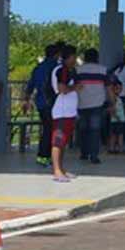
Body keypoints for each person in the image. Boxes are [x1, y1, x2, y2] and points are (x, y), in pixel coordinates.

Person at [22, 44, 59, 167]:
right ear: (56, 54)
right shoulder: (56, 67)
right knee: (50, 130)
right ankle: (44, 156)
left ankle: (45, 155)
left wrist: (26, 100)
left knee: (47, 129)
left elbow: (30, 86)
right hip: (52, 102)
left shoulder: (38, 68)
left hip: (41, 103)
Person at [50, 46, 81, 183]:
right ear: (68, 57)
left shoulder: (71, 70)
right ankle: (56, 170)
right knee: (58, 141)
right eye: (74, 57)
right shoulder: (61, 70)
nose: (75, 60)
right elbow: (62, 89)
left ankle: (62, 169)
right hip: (61, 111)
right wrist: (75, 88)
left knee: (64, 142)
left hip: (69, 111)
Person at [76, 48, 109, 164]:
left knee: (83, 129)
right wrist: (112, 102)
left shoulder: (78, 70)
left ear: (85, 58)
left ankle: (84, 153)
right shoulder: (103, 70)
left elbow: (74, 87)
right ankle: (94, 155)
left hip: (81, 104)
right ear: (97, 58)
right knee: (95, 130)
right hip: (98, 104)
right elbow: (109, 88)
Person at [107, 80, 125, 154]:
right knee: (119, 134)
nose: (119, 90)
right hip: (118, 119)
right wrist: (116, 116)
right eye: (117, 88)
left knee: (114, 134)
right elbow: (112, 108)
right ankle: (119, 148)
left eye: (120, 88)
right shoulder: (114, 98)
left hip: (116, 119)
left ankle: (112, 148)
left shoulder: (118, 98)